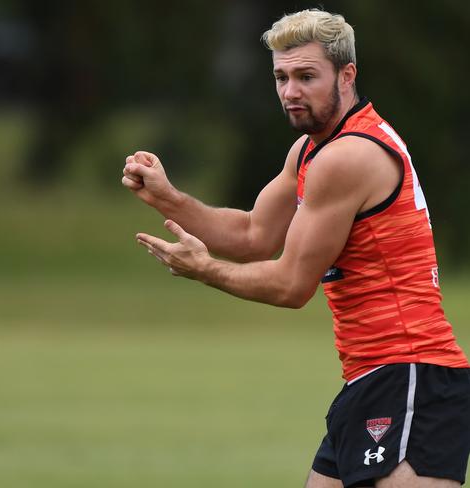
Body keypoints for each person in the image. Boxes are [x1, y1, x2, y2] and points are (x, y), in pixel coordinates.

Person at [121, 8, 470, 488]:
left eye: (306, 76)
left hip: (409, 375)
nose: (290, 92)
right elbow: (252, 236)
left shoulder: (348, 157)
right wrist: (168, 198)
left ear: (346, 75)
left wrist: (205, 269)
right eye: (281, 77)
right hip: (371, 378)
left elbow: (290, 285)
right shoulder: (313, 150)